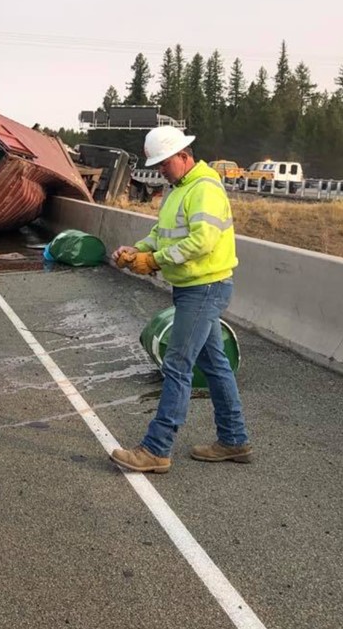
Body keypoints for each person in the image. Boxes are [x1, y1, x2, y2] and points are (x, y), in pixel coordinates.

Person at [109, 126, 251, 474]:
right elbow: (162, 233)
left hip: (204, 288)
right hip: (193, 288)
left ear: (184, 156)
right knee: (215, 367)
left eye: (164, 163)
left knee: (177, 365)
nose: (160, 170)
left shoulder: (204, 189)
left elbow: (202, 241)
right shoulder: (179, 190)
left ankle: (156, 449)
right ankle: (234, 440)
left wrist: (154, 261)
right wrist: (138, 249)